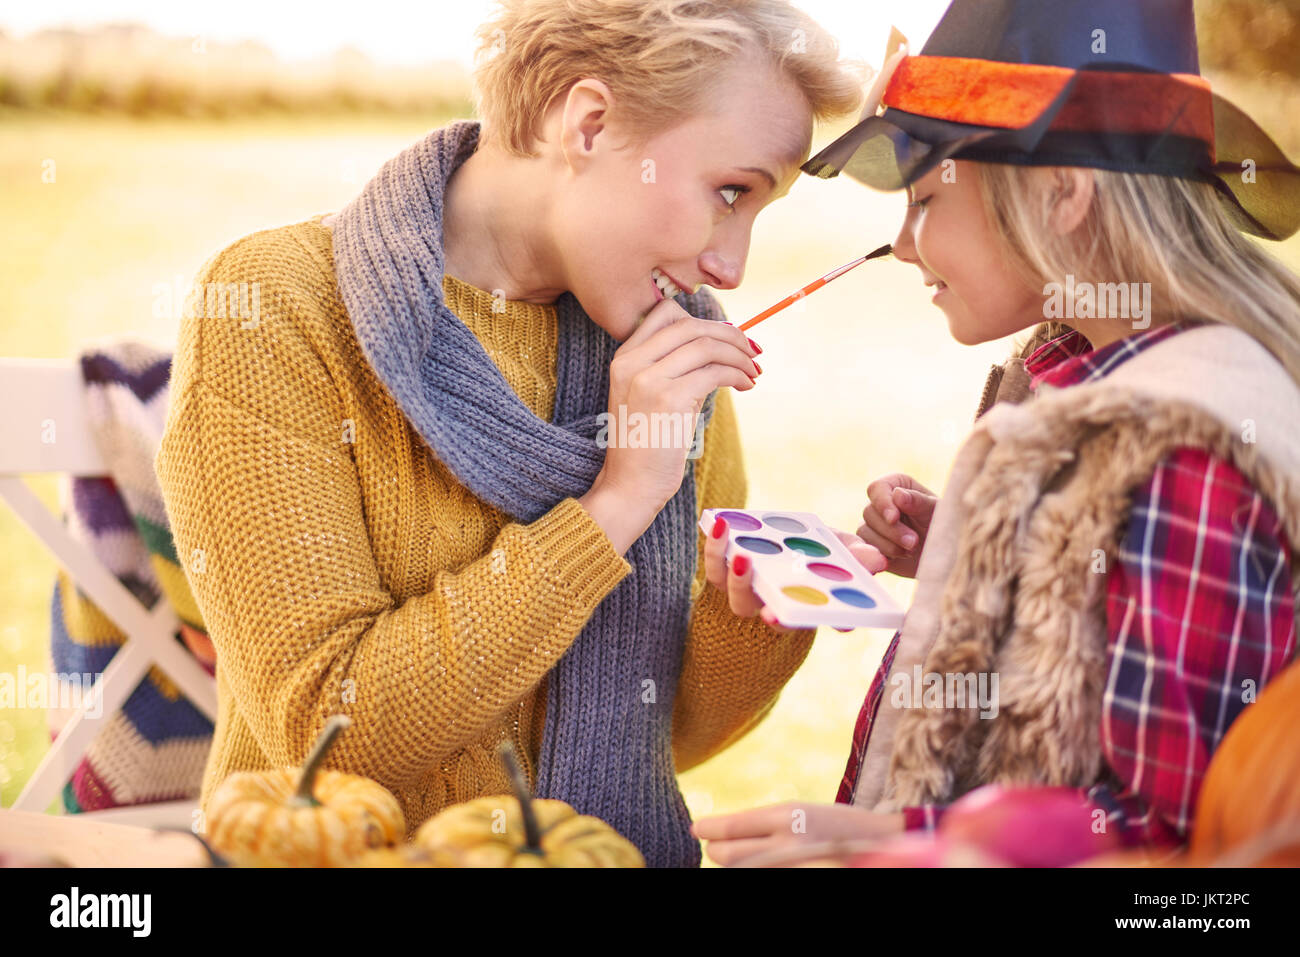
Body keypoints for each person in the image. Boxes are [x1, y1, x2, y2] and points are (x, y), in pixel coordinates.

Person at [154, 0, 864, 868]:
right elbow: (328, 741)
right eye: (730, 192)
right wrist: (619, 499)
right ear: (590, 124)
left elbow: (660, 736)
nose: (731, 266)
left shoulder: (661, 350)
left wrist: (754, 612)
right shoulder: (279, 306)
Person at [693, 0, 1300, 866]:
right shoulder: (1094, 378)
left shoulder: (1185, 449)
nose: (903, 246)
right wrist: (989, 550)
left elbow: (1180, 844)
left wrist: (894, 838)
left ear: (1062, 195)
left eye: (927, 200)